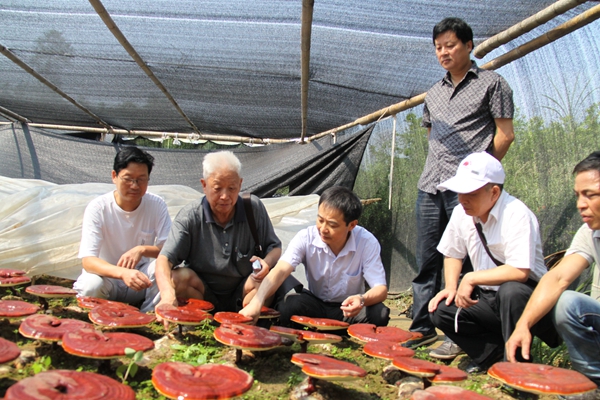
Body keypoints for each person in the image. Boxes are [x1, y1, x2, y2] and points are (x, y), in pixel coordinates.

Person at [408, 17, 515, 360]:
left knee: (469, 261)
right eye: (438, 47)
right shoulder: (433, 93)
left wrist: (483, 177)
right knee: (427, 261)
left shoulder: (492, 84)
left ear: (469, 46)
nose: (444, 52)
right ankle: (421, 327)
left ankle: (461, 331)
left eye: (450, 45)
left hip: (467, 190)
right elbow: (431, 136)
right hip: (430, 185)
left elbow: (505, 134)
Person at [428, 152, 559, 374]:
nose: (462, 199)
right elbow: (452, 252)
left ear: (494, 192)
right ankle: (493, 355)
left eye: (471, 193)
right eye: (460, 192)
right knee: (440, 309)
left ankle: (519, 368)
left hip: (529, 300)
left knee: (511, 291)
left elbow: (520, 271)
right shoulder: (462, 212)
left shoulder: (516, 214)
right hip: (489, 299)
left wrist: (470, 277)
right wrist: (451, 287)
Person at [507, 151, 600, 390]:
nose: (580, 204)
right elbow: (557, 277)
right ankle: (592, 385)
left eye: (590, 195)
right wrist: (523, 325)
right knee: (567, 303)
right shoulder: (590, 232)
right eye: (578, 195)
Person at [154, 151, 281, 321]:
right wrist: (167, 295)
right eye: (217, 188)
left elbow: (275, 247)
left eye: (232, 188)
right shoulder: (190, 216)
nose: (225, 196)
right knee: (178, 277)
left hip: (244, 291)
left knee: (268, 279)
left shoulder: (253, 208)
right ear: (204, 185)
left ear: (240, 184)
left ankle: (247, 326)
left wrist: (267, 262)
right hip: (202, 292)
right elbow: (164, 260)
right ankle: (200, 324)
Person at [240, 186, 390, 327]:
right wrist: (256, 303)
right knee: (289, 305)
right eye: (320, 220)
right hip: (314, 303)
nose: (323, 229)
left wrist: (361, 299)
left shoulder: (366, 242)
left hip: (347, 308)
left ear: (351, 225)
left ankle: (340, 331)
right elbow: (280, 271)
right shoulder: (306, 237)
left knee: (379, 313)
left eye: (332, 225)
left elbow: (380, 289)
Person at [73, 147, 171, 312]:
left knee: (163, 268)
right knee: (91, 285)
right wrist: (122, 273)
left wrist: (142, 250)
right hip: (108, 278)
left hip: (140, 280)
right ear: (114, 176)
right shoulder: (98, 208)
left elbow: (168, 249)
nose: (135, 185)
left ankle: (150, 316)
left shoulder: (156, 205)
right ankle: (97, 318)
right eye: (128, 178)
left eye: (141, 179)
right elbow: (88, 261)